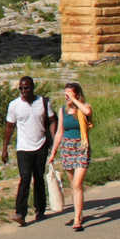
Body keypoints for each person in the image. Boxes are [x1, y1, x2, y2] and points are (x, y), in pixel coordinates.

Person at [0, 75, 53, 226]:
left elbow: (52, 120)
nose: (24, 91)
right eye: (21, 88)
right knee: (25, 178)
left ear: (33, 88)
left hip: (40, 145)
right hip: (23, 147)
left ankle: (40, 210)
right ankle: (20, 212)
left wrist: (53, 142)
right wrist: (5, 149)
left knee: (39, 178)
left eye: (26, 88)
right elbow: (10, 126)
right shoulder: (14, 105)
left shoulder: (43, 102)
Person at [53, 82, 93, 231]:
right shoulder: (62, 110)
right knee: (72, 184)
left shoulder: (84, 107)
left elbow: (88, 112)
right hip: (67, 148)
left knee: (77, 184)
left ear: (77, 94)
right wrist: (53, 152)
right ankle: (79, 212)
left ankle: (77, 219)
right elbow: (59, 132)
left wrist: (75, 101)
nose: (66, 96)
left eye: (69, 93)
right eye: (65, 94)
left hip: (82, 146)